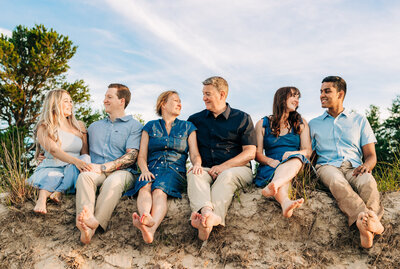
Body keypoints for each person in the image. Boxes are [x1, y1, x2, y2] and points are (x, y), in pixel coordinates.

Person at [309, 76, 384, 248]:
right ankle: (367, 220)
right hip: (327, 166)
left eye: (327, 91)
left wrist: (366, 166)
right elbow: (310, 155)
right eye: (321, 91)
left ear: (340, 94)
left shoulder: (359, 120)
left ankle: (368, 227)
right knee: (337, 182)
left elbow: (371, 155)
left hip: (354, 167)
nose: (322, 95)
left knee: (368, 181)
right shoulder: (313, 124)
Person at [127, 91, 203, 243]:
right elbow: (141, 156)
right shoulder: (150, 126)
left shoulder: (188, 127)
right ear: (163, 104)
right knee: (145, 185)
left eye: (180, 101)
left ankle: (151, 229)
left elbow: (194, 154)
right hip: (152, 167)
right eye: (175, 100)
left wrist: (197, 165)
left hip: (175, 170)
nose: (180, 104)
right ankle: (145, 217)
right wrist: (145, 170)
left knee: (159, 190)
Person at [187, 76, 257, 241]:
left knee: (227, 176)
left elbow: (250, 153)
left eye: (208, 94)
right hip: (206, 168)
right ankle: (206, 214)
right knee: (194, 174)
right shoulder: (195, 120)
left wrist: (224, 166)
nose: (204, 98)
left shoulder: (242, 118)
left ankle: (212, 220)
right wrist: (197, 164)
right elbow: (193, 151)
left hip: (238, 169)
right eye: (203, 94)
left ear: (222, 94)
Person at [76, 83, 143, 244]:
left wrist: (104, 167)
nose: (104, 100)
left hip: (124, 172)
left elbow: (132, 156)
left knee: (113, 182)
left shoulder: (135, 126)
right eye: (105, 97)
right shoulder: (93, 127)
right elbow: (77, 148)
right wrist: (44, 154)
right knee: (84, 177)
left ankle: (93, 228)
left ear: (122, 101)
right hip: (96, 170)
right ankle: (85, 223)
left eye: (109, 97)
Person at [27, 89, 91, 214]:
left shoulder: (79, 126)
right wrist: (76, 161)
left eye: (71, 101)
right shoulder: (44, 126)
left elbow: (84, 152)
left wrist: (78, 162)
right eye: (66, 101)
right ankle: (42, 198)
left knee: (86, 160)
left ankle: (59, 191)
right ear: (54, 103)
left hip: (74, 168)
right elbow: (54, 150)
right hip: (53, 165)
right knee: (54, 176)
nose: (70, 104)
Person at [254, 87, 312, 217]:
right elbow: (257, 154)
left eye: (298, 97)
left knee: (294, 161)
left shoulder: (301, 123)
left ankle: (275, 184)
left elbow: (308, 151)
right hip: (272, 165)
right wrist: (270, 161)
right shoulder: (262, 123)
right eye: (293, 96)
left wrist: (292, 154)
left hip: (295, 164)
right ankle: (285, 202)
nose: (296, 100)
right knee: (283, 174)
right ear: (281, 98)